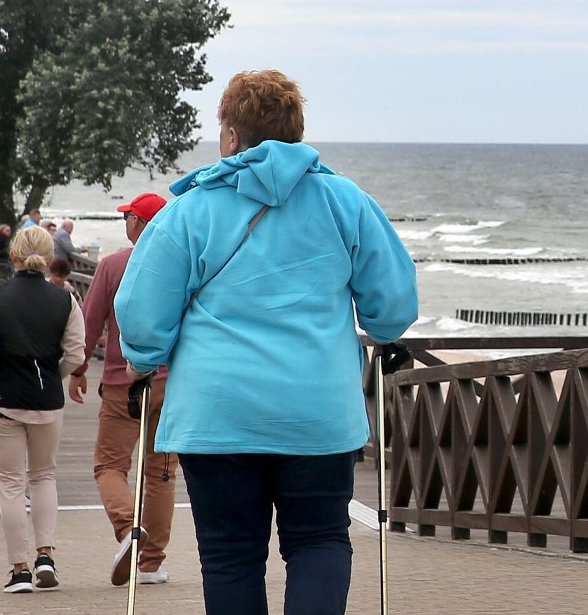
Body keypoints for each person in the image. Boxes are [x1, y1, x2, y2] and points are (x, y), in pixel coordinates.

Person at [114, 69, 419, 614]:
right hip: (318, 413)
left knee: (231, 556)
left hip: (218, 415)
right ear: (296, 132)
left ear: (231, 136)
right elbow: (392, 312)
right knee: (320, 540)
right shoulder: (345, 202)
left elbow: (140, 320)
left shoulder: (190, 210)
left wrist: (147, 360)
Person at [0, 225, 85, 594]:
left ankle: (20, 571)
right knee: (44, 476)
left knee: (11, 485)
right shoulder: (65, 300)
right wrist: (53, 374)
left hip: (4, 401)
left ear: (13, 256)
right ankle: (46, 554)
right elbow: (77, 354)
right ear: (49, 259)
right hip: (47, 400)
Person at [68, 192, 175, 587]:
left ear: (137, 223)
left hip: (122, 381)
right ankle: (151, 564)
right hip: (170, 382)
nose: (125, 222)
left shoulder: (113, 266)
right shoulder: (180, 267)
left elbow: (89, 322)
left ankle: (130, 528)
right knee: (162, 472)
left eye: (128, 216)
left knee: (110, 465)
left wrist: (77, 370)